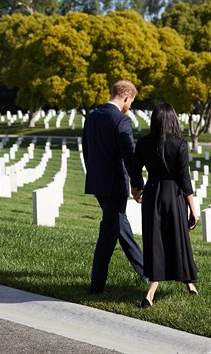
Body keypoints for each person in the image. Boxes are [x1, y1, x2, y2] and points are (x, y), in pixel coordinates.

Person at [130, 101, 199, 308]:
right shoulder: (179, 144)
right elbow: (184, 179)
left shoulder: (143, 143)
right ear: (173, 120)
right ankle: (188, 282)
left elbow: (134, 169)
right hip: (174, 196)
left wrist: (137, 188)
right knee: (178, 239)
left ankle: (152, 291)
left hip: (152, 194)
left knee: (155, 241)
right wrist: (194, 210)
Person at [82, 80, 146, 293]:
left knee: (120, 226)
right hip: (115, 185)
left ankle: (145, 271)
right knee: (108, 234)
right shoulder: (121, 120)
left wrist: (93, 175)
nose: (131, 107)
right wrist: (138, 184)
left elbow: (86, 150)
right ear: (126, 97)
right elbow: (129, 155)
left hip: (97, 183)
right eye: (132, 102)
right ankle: (96, 285)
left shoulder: (91, 117)